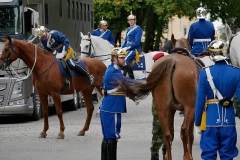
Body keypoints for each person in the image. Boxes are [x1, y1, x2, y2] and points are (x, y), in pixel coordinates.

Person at [195, 36, 240, 160]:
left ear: (211, 54)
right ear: (225, 52)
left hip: (209, 121)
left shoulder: (205, 72)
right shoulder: (237, 72)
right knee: (228, 155)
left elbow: (200, 101)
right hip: (229, 121)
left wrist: (198, 121)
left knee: (208, 155)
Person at [99, 48, 130, 160]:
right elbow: (129, 82)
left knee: (107, 137)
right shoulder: (113, 72)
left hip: (108, 108)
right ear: (114, 59)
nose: (124, 60)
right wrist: (147, 79)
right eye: (121, 58)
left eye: (124, 57)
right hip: (112, 108)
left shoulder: (112, 69)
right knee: (113, 137)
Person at [151, 53, 166, 160]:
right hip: (158, 108)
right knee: (157, 134)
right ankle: (154, 155)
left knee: (168, 133)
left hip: (168, 109)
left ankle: (166, 154)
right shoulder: (154, 75)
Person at [121, 11, 143, 79]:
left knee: (125, 61)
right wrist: (121, 48)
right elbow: (125, 41)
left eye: (132, 20)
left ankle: (129, 78)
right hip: (127, 48)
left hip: (134, 49)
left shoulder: (138, 29)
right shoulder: (128, 29)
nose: (130, 21)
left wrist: (127, 48)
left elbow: (137, 43)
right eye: (129, 20)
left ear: (135, 21)